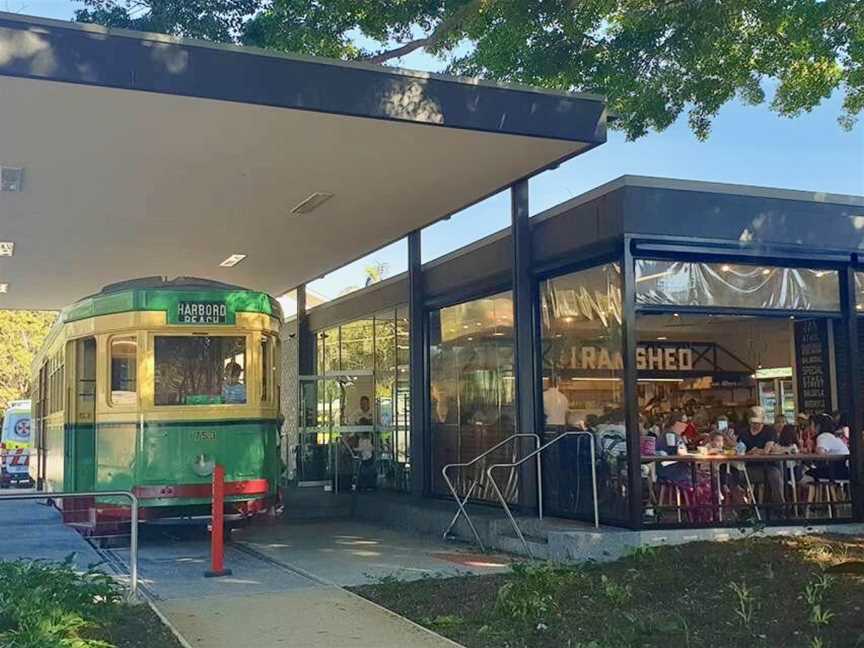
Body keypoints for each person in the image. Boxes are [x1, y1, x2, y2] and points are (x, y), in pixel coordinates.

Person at [737, 406, 785, 511]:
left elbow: (766, 450)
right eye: (754, 423)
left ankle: (780, 508)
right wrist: (752, 452)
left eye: (759, 423)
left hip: (768, 466)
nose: (756, 425)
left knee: (775, 475)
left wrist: (754, 451)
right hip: (749, 468)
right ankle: (743, 508)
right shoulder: (744, 433)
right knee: (732, 476)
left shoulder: (769, 431)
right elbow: (740, 451)